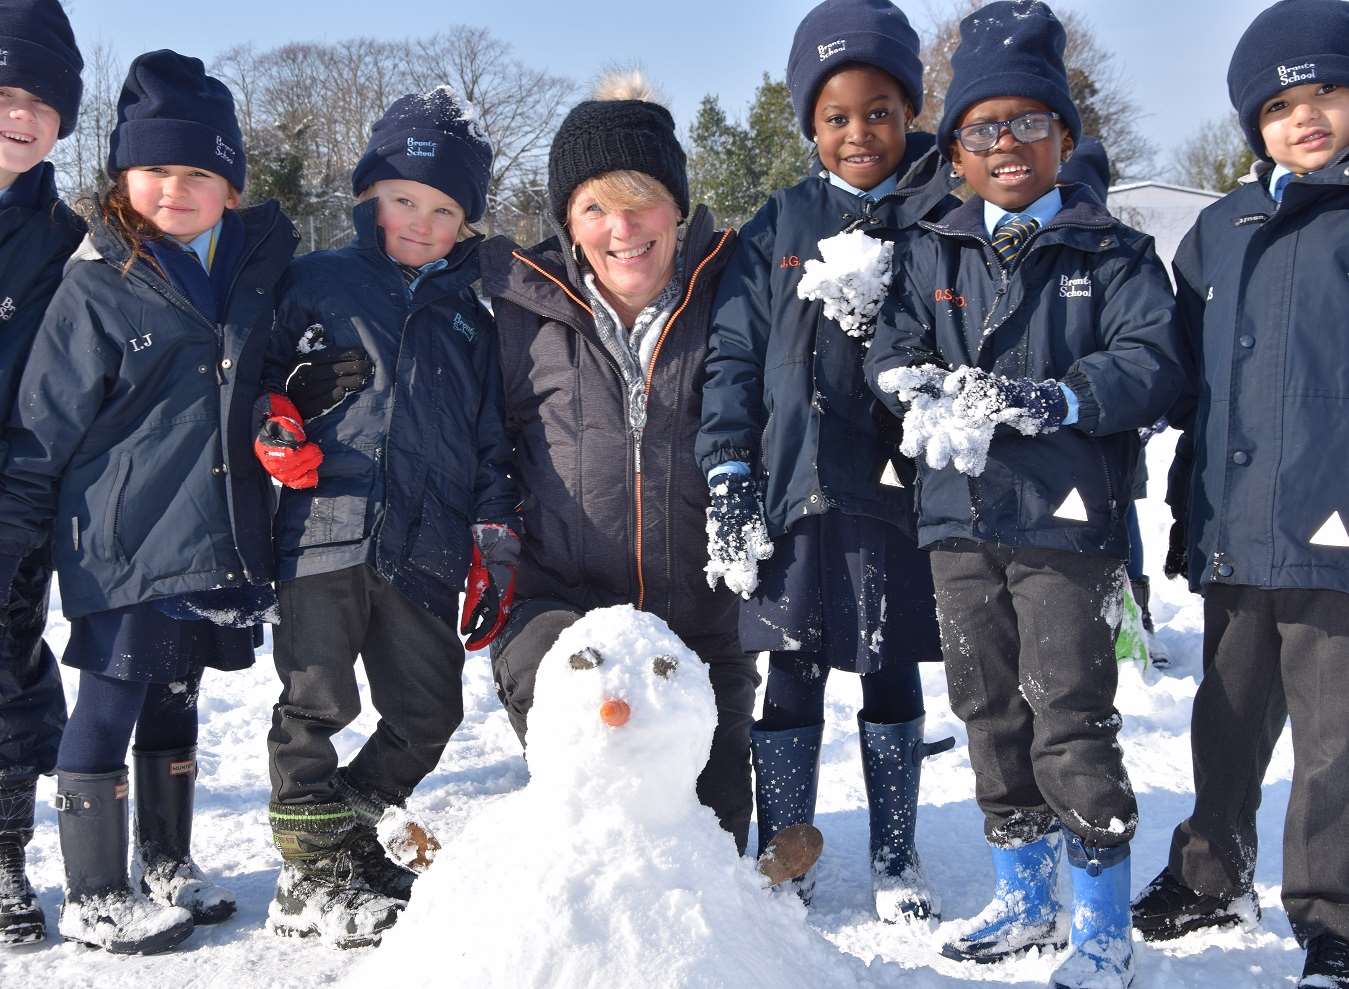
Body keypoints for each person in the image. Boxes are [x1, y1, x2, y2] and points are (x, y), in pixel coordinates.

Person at [865, 3, 1186, 986]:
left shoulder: (1111, 253)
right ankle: (1025, 891)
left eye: (1026, 124)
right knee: (984, 706)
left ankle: (1097, 917)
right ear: (954, 148)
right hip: (957, 518)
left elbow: (1152, 362)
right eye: (980, 129)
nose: (1003, 145)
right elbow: (892, 341)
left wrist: (1057, 395)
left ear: (1063, 137)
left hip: (1064, 524)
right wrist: (905, 380)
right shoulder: (932, 246)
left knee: (1067, 711)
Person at [0, 49, 297, 954]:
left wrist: (295, 398)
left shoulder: (257, 269)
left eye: (199, 171)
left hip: (220, 530)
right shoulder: (95, 279)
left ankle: (166, 860)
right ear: (123, 175)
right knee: (115, 695)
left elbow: (272, 371)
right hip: (125, 536)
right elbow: (43, 426)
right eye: (156, 168)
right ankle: (94, 890)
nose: (176, 188)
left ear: (232, 187)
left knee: (178, 693)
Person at [696, 0, 956, 922]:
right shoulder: (779, 224)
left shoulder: (939, 212)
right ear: (809, 124)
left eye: (880, 111)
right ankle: (788, 852)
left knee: (888, 664)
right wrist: (728, 469)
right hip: (796, 488)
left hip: (898, 487)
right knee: (793, 665)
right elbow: (732, 357)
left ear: (910, 113)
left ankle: (895, 855)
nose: (860, 133)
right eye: (836, 116)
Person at [259, 87, 518, 949]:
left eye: (444, 210)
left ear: (466, 221)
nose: (421, 222)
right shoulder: (316, 282)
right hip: (323, 527)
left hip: (428, 542)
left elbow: (491, 436)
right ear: (370, 194)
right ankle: (313, 872)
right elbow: (252, 385)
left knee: (428, 709)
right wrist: (276, 416)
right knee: (315, 701)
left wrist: (492, 532)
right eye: (404, 199)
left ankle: (351, 832)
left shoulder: (473, 316)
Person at [480, 71, 760, 856]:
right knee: (590, 841)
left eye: (640, 200)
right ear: (568, 222)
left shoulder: (735, 295)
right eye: (594, 207)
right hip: (561, 610)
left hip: (701, 621)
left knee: (705, 849)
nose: (621, 227)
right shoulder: (519, 309)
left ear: (678, 205)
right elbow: (483, 443)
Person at [1131, 4, 1349, 985]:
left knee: (1333, 739)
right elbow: (1183, 382)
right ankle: (1209, 869)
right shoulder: (1217, 232)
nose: (1303, 117)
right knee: (1222, 716)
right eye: (1278, 103)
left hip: (1334, 529)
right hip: (1232, 524)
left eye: (1327, 93)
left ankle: (1331, 913)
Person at [0, 0, 84, 948]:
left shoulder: (69, 241)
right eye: (3, 91)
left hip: (17, 489)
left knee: (9, 664)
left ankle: (3, 851)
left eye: (38, 98)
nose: (18, 113)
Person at [1058, 137, 1171, 669]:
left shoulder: (1115, 252)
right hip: (1063, 432)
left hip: (1114, 427)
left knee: (1120, 517)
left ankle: (1136, 615)